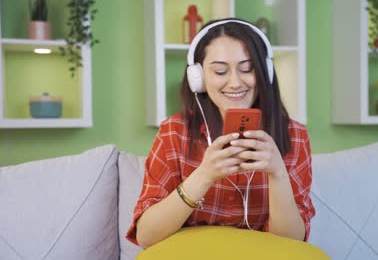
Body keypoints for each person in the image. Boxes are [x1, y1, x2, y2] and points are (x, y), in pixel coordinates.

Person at [126, 18, 315, 249]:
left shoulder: (294, 135)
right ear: (198, 77)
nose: (235, 82)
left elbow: (291, 244)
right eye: (220, 71)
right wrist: (204, 175)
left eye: (247, 69)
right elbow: (147, 237)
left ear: (265, 72)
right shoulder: (174, 132)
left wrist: (277, 173)